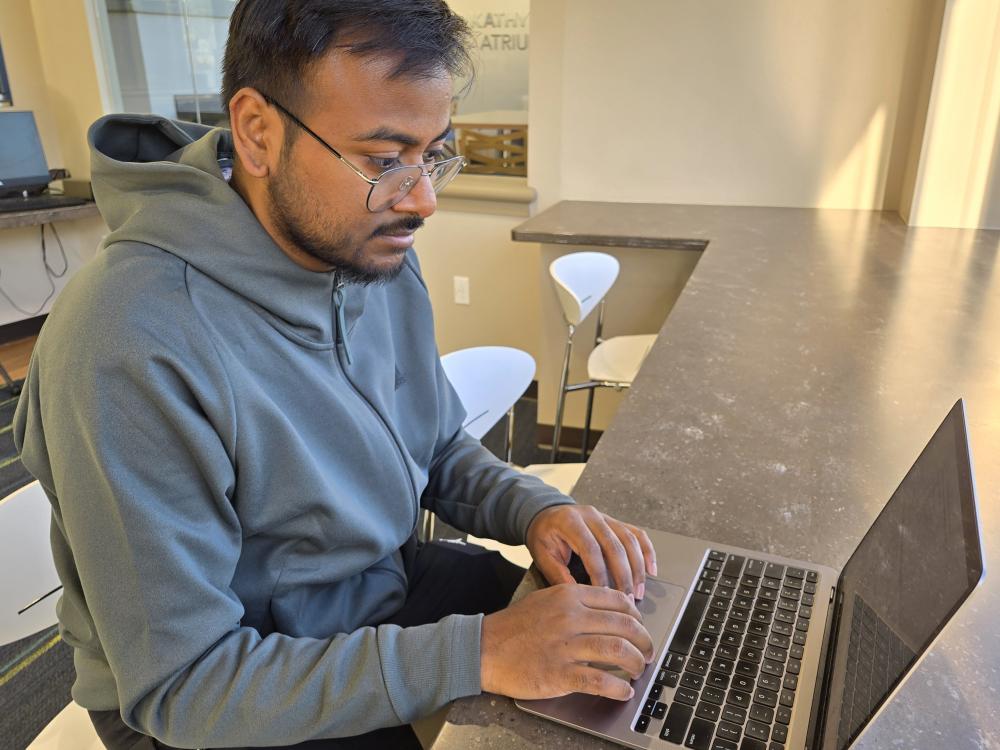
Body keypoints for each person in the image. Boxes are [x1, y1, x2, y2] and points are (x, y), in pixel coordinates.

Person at [14, 2, 658, 748]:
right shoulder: (127, 341)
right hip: (216, 688)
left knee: (611, 631)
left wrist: (538, 511)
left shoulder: (366, 248)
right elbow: (182, 686)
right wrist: (479, 654)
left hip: (367, 588)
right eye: (384, 160)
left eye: (433, 153)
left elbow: (436, 446)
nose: (422, 199)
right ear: (258, 132)